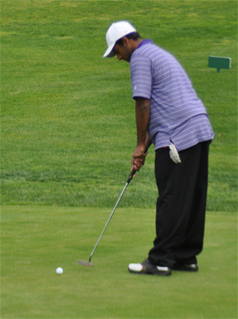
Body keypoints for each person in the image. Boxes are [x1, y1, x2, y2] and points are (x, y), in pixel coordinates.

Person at [103, 21, 214, 276]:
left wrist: (140, 144)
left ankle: (161, 259)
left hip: (178, 135)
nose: (118, 58)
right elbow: (162, 107)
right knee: (191, 196)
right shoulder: (158, 52)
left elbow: (143, 104)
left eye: (117, 52)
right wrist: (144, 147)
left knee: (172, 196)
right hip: (198, 128)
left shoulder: (140, 57)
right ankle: (186, 256)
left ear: (126, 41)